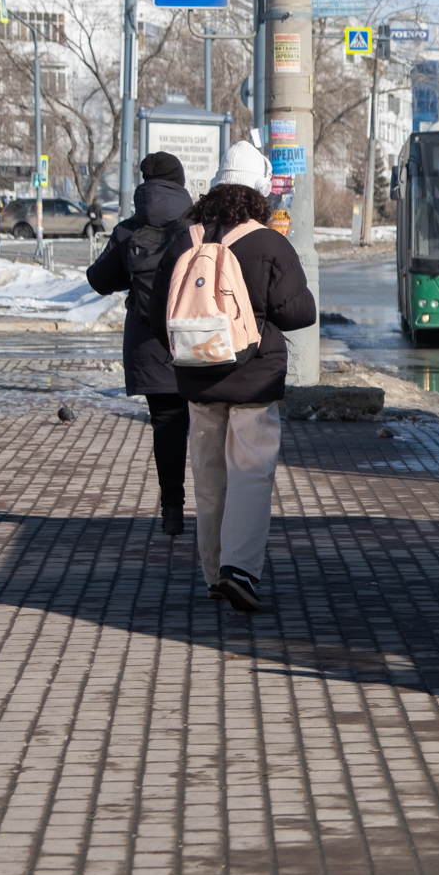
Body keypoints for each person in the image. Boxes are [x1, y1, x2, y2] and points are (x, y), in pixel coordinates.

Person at [148, 142, 316, 612]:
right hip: (253, 380)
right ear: (259, 193)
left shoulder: (186, 239)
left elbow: (158, 308)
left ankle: (211, 571)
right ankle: (239, 571)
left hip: (197, 379)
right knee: (249, 471)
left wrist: (185, 353)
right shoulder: (268, 242)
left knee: (208, 474)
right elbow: (300, 312)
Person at [86, 152, 195, 535]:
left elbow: (98, 280)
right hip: (203, 337)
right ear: (180, 183)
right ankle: (223, 510)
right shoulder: (199, 226)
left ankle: (172, 510)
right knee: (212, 423)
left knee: (167, 423)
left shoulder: (128, 231)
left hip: (151, 345)